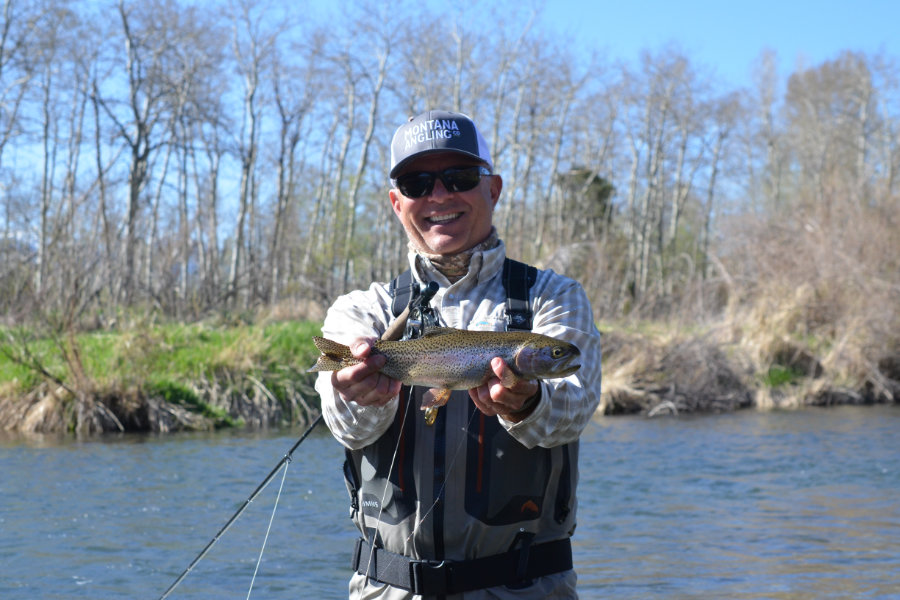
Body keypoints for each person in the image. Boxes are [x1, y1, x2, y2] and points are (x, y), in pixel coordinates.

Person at [315, 109, 602, 599]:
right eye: (417, 182)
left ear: (493, 189)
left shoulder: (553, 298)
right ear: (395, 202)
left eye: (460, 177)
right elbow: (347, 427)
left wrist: (528, 402)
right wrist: (359, 392)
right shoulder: (362, 311)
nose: (440, 195)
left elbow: (572, 411)